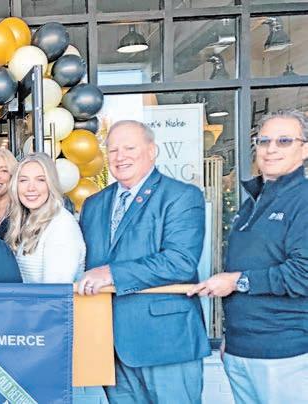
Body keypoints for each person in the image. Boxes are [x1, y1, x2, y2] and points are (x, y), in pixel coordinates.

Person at [78, 120, 209, 404]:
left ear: (152, 151)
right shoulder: (94, 204)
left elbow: (180, 262)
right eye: (113, 150)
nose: (120, 156)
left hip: (166, 342)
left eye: (129, 148)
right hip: (112, 346)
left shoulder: (181, 196)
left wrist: (111, 273)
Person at [189, 110, 308, 404]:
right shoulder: (252, 202)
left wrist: (237, 281)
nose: (271, 149)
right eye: (264, 141)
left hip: (285, 353)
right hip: (241, 349)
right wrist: (231, 337)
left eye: (284, 141)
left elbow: (302, 274)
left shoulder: (303, 200)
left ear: (305, 149)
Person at [6, 153, 85, 283]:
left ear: (51, 184)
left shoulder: (61, 225)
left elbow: (55, 289)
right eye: (23, 180)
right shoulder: (28, 220)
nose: (31, 188)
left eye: (40, 180)